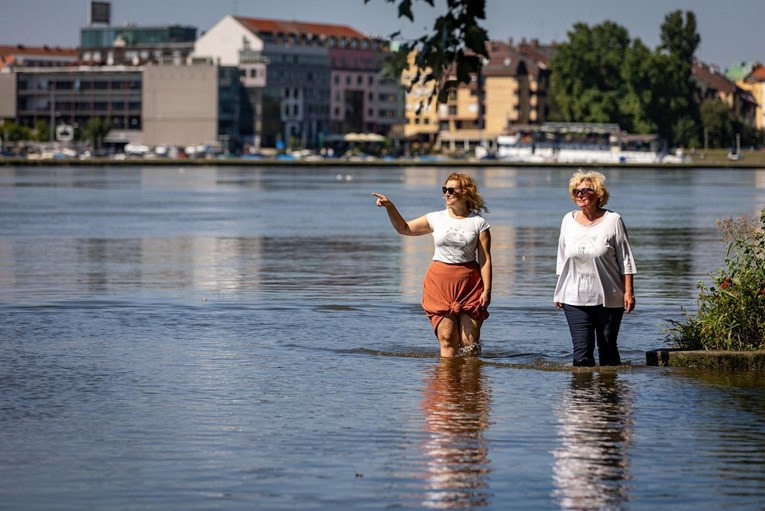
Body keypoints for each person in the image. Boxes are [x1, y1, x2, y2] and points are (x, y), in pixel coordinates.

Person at [372, 172, 492, 358]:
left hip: (470, 285)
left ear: (466, 193)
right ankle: (448, 384)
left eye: (452, 190)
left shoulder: (478, 223)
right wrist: (390, 207)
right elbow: (404, 228)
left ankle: (471, 383)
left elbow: (485, 260)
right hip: (439, 283)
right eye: (445, 190)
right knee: (447, 338)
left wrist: (487, 290)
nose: (447, 194)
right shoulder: (436, 218)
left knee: (469, 342)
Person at [554, 170, 636, 366]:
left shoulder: (613, 220)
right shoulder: (568, 220)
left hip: (609, 297)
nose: (580, 194)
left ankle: (609, 393)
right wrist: (559, 291)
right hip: (574, 297)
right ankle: (582, 396)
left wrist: (629, 292)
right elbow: (562, 258)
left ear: (598, 194)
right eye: (576, 191)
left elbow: (626, 258)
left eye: (585, 190)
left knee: (607, 349)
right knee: (581, 354)